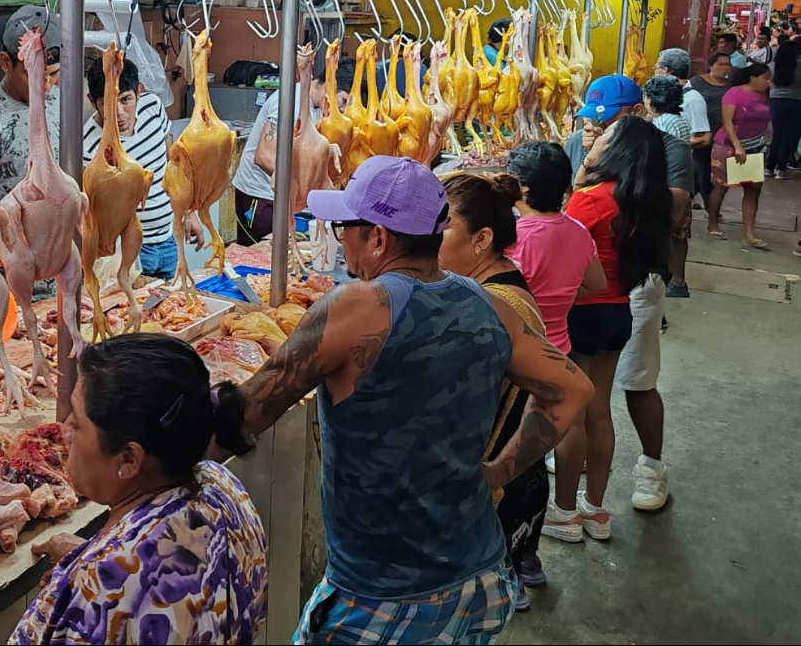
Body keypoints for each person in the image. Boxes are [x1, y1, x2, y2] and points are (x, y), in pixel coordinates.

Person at [215, 156, 593, 645]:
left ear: (378, 238)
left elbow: (249, 412)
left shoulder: (355, 307)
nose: (337, 234)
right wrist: (498, 471)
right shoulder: (490, 304)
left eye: (344, 224)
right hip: (479, 577)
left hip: (383, 600)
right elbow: (572, 389)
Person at [10, 334, 267, 645]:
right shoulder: (222, 486)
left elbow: (126, 586)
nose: (65, 432)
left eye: (76, 423)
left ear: (130, 459)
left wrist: (92, 573)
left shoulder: (103, 586)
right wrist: (87, 556)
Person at [545, 116, 671, 544]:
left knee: (570, 414)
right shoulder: (646, 200)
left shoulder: (592, 199)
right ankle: (595, 510)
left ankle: (563, 514)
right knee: (599, 411)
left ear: (620, 150)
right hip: (619, 314)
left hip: (582, 314)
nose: (595, 138)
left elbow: (563, 244)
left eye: (606, 136)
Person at [438, 172, 552, 614]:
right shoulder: (493, 286)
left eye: (440, 228)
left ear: (482, 238)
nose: (427, 240)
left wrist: (500, 471)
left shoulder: (492, 304)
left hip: (494, 491)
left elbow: (563, 393)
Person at [82, 56, 204, 280]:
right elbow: (93, 215)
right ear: (92, 101)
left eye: (126, 100)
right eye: (107, 103)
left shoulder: (153, 108)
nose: (119, 112)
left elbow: (174, 168)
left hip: (169, 239)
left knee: (174, 308)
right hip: (129, 254)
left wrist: (189, 212)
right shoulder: (88, 145)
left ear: (139, 91)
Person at [232, 54, 351, 245]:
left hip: (284, 197)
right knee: (262, 257)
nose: (343, 109)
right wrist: (301, 183)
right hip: (260, 196)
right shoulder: (290, 102)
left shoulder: (318, 109)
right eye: (343, 100)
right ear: (331, 84)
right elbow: (263, 156)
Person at [505, 141, 606, 358]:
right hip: (559, 350)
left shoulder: (512, 238)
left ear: (522, 188)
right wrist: (560, 293)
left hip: (519, 355)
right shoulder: (578, 230)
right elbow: (597, 284)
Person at [0, 6, 62, 208]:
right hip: (10, 235)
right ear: (6, 62)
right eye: (32, 75)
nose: (45, 87)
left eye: (53, 74)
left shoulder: (61, 102)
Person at [707, 61, 773, 250]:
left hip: (755, 146)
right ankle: (713, 223)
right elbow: (727, 122)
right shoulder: (734, 93)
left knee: (754, 189)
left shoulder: (763, 95)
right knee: (721, 187)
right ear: (753, 78)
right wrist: (737, 146)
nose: (769, 83)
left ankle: (749, 234)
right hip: (728, 145)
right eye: (765, 78)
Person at [645, 75, 696, 300]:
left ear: (650, 100)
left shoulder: (664, 123)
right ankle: (678, 281)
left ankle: (674, 281)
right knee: (679, 235)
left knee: (671, 235)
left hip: (671, 188)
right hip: (681, 185)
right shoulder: (677, 118)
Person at [562, 73, 646, 176]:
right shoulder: (576, 141)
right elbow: (566, 191)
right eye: (593, 116)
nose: (599, 122)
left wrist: (604, 150)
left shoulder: (652, 146)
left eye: (607, 115)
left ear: (637, 111)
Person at [690, 51, 734, 207]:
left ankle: (687, 196)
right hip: (702, 131)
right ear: (711, 65)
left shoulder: (731, 86)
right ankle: (710, 207)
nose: (724, 68)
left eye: (727, 64)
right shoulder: (697, 82)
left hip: (722, 134)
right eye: (720, 64)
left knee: (707, 169)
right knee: (703, 169)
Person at [766, 36, 801, 179]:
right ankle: (781, 169)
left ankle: (769, 167)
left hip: (775, 102)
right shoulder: (800, 65)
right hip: (796, 103)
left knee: (776, 135)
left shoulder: (772, 66)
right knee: (789, 136)